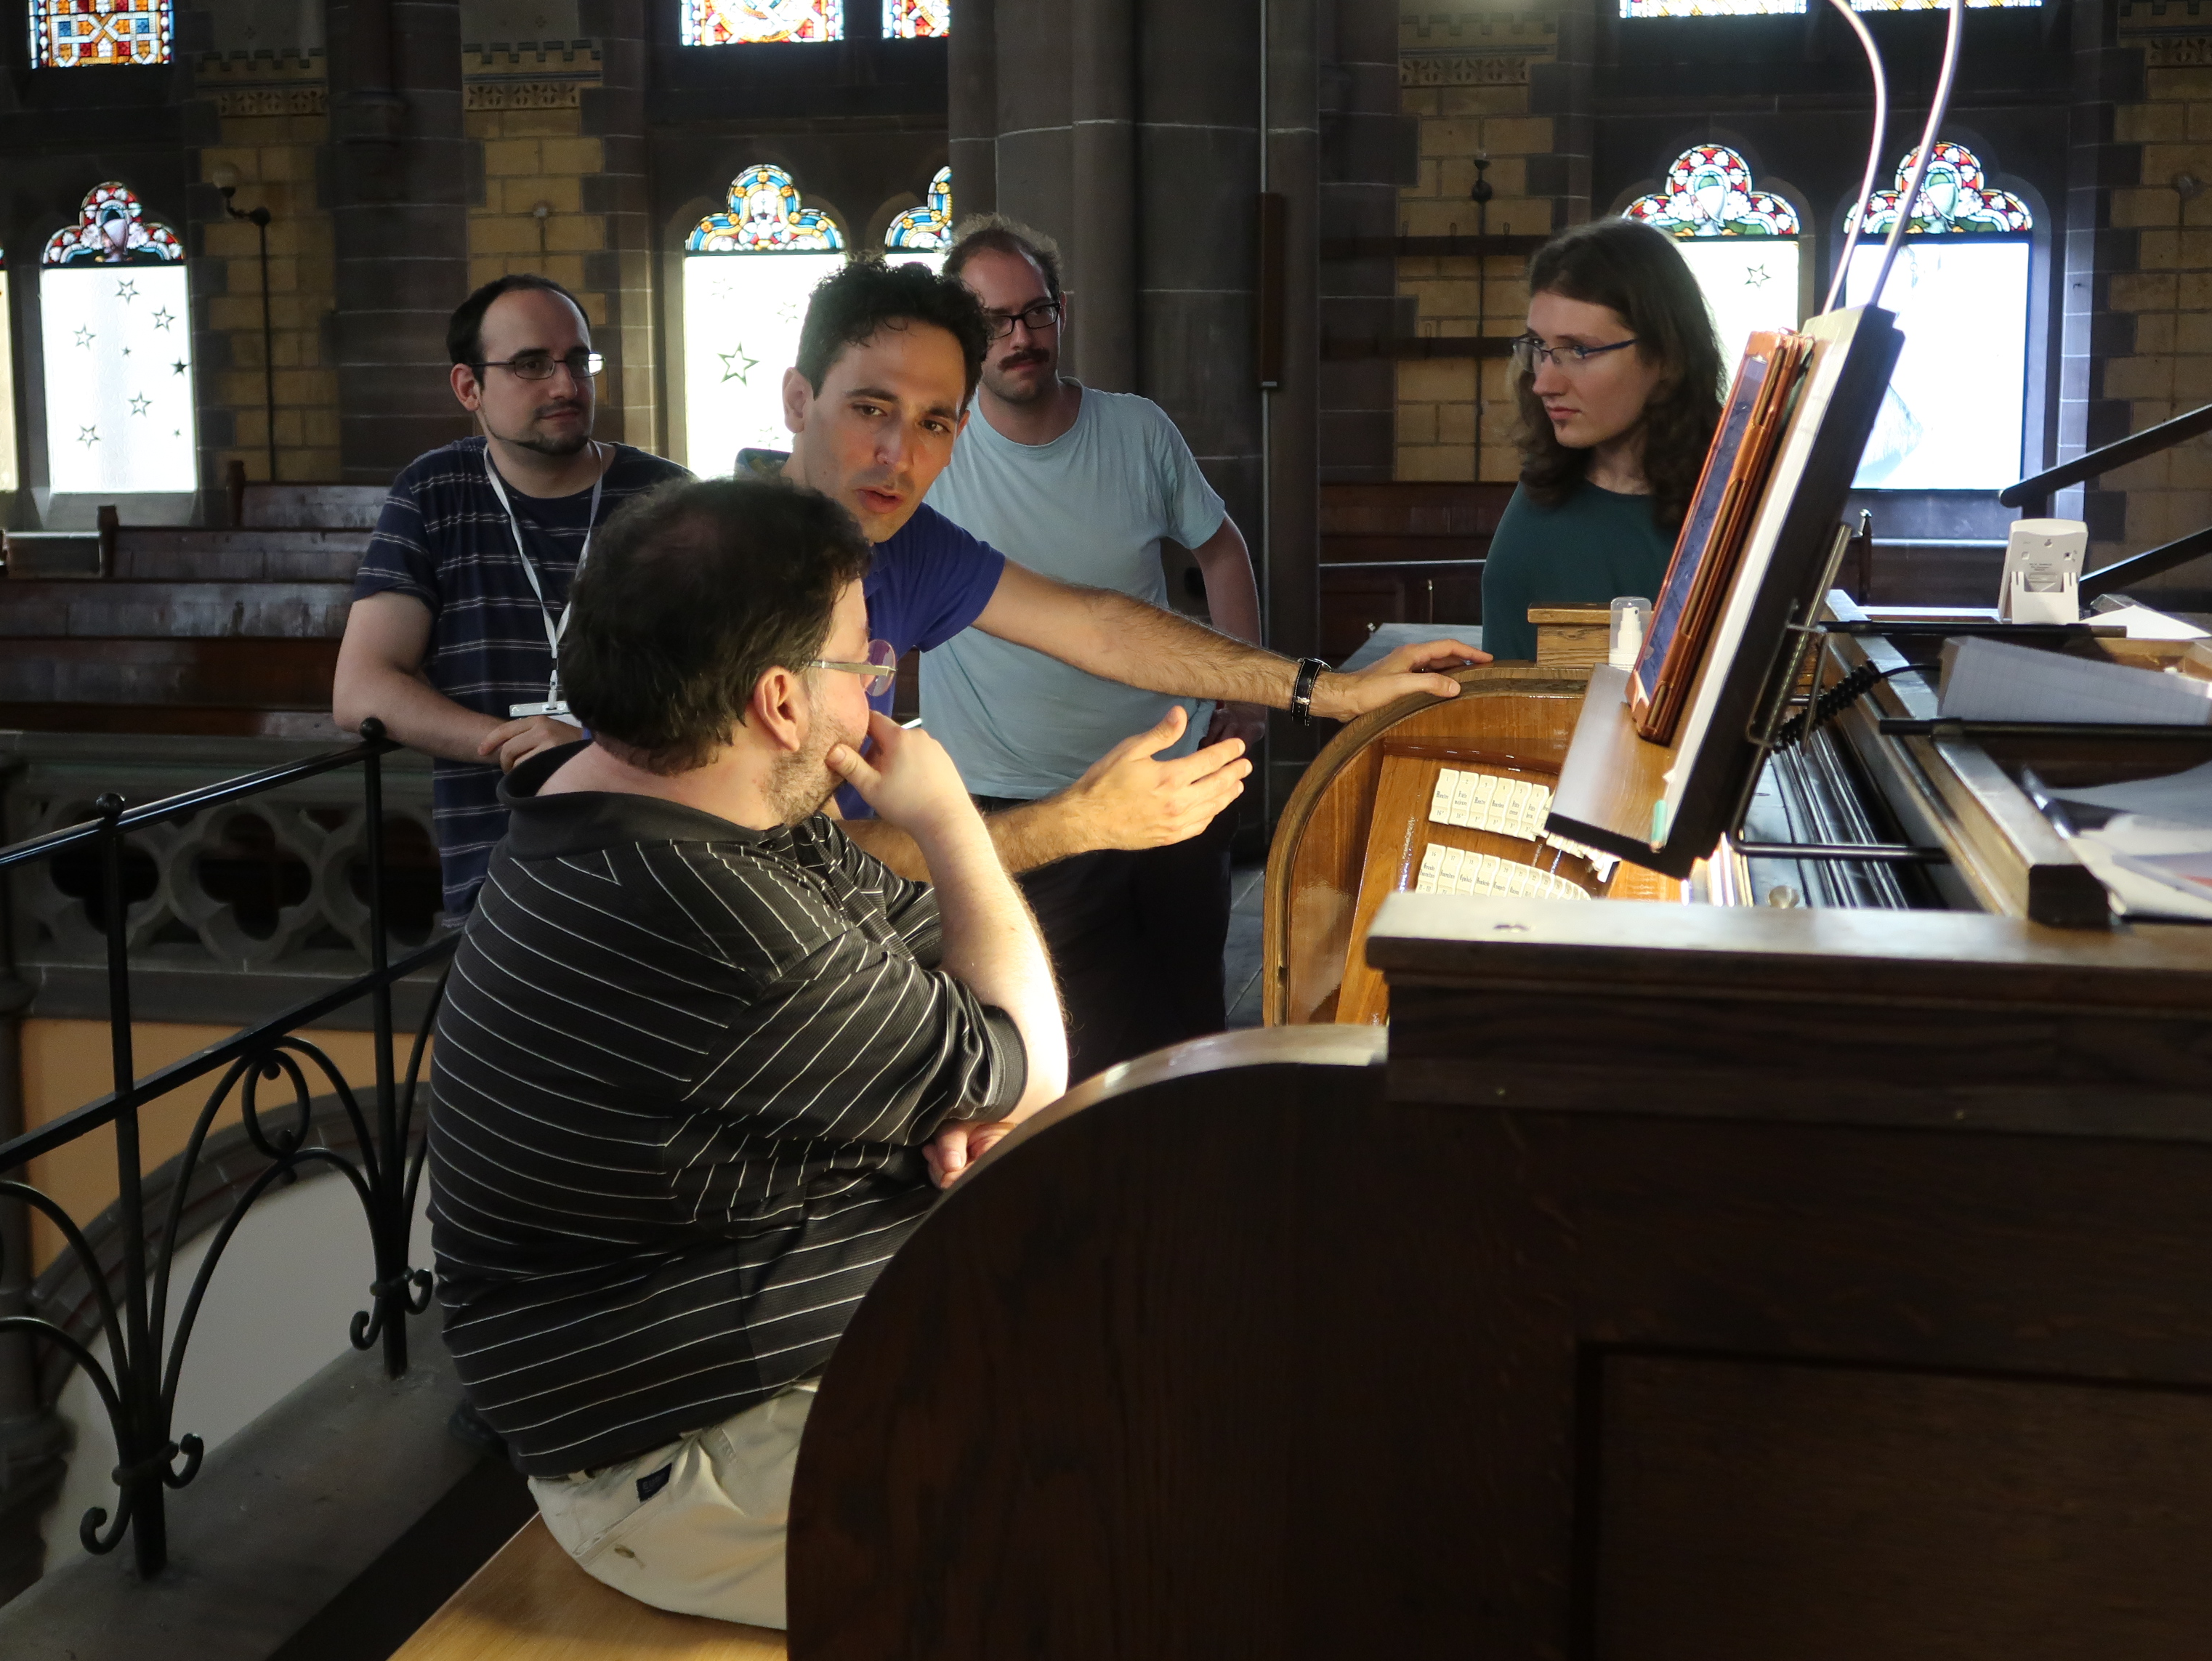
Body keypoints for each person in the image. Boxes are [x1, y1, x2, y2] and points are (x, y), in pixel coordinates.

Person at [426, 479, 1066, 1630]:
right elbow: (1030, 1051)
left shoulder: (662, 805)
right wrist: (950, 821)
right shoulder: (716, 911)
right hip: (690, 1460)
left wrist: (977, 1069)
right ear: (779, 699)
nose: (876, 692)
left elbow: (971, 986)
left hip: (788, 1364)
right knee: (1140, 1532)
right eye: (863, 662)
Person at [757, 259, 1488, 890]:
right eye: (871, 408)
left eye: (933, 423)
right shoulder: (725, 572)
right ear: (797, 401)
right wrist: (1077, 823)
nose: (899, 453)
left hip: (854, 932)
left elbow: (1097, 625)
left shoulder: (909, 543)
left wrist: (1330, 691)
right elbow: (788, 858)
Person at [919, 216, 1262, 1075]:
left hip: (1168, 782)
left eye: (1036, 312)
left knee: (1189, 1031)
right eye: (995, 321)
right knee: (1057, 1054)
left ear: (1062, 309)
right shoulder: (935, 448)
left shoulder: (1137, 430)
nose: (1021, 337)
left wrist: (1250, 691)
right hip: (1022, 808)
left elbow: (1221, 550)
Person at [333, 274, 688, 923]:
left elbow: (721, 695)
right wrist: (515, 742)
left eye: (577, 361)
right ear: (469, 387)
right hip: (495, 884)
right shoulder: (433, 493)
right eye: (531, 365)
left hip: (657, 870)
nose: (566, 385)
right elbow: (361, 690)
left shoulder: (671, 502)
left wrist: (586, 747)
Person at [1480, 219, 1727, 660]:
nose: (1543, 384)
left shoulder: (1725, 513)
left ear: (1667, 358)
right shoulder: (1542, 485)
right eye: (1538, 346)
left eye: (1579, 350)